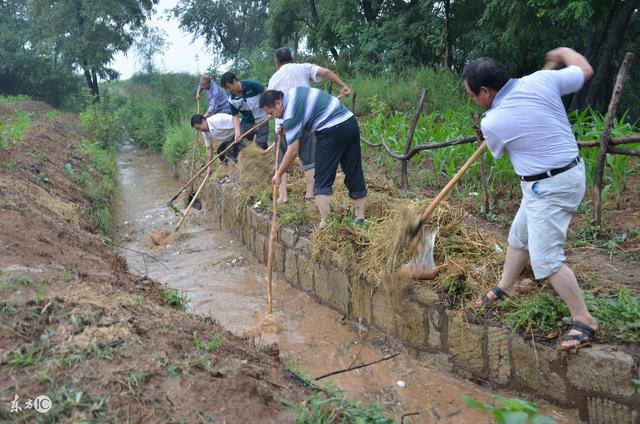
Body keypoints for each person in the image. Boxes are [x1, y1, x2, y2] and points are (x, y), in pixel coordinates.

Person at [462, 47, 597, 350]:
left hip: (551, 187)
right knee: (519, 235)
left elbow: (498, 148)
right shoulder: (541, 80)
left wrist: (487, 132)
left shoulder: (493, 121)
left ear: (486, 91)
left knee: (546, 260)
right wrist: (564, 52)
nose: (473, 101)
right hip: (556, 177)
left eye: (473, 96)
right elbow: (585, 70)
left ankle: (584, 319)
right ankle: (506, 286)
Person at [260, 87, 366, 228]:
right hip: (349, 122)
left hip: (331, 130)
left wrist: (278, 174)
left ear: (278, 103)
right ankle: (360, 218)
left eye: (271, 113)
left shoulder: (290, 115)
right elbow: (307, 114)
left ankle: (326, 224)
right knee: (353, 170)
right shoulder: (295, 92)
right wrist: (288, 128)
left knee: (322, 179)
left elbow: (292, 151)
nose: (272, 117)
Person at [268, 47, 351, 204]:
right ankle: (309, 194)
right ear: (291, 57)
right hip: (305, 121)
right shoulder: (303, 67)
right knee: (309, 158)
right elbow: (325, 72)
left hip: (282, 125)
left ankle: (282, 196)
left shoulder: (274, 78)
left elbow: (271, 103)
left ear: (277, 62)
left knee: (281, 160)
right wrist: (342, 85)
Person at [220, 72, 269, 150]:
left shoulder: (251, 85)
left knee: (260, 145)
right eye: (227, 89)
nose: (229, 90)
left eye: (229, 87)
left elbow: (268, 93)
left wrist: (270, 110)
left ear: (234, 81)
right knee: (240, 145)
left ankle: (264, 155)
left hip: (262, 119)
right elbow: (235, 116)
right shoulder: (232, 99)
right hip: (247, 122)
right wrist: (237, 132)